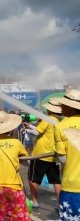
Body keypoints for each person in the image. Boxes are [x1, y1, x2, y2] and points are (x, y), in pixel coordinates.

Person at [0, 111, 30, 221]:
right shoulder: (16, 142)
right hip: (14, 187)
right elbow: (26, 162)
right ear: (10, 128)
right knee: (19, 218)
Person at [23, 99, 62, 209]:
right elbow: (42, 131)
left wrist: (28, 129)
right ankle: (59, 203)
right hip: (53, 155)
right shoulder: (58, 121)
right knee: (56, 180)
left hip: (41, 154)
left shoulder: (47, 119)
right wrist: (29, 126)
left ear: (50, 110)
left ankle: (35, 201)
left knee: (33, 178)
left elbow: (37, 132)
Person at [55, 89, 80, 220]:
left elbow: (63, 159)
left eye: (63, 105)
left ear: (71, 108)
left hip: (73, 186)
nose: (61, 107)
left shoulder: (61, 126)